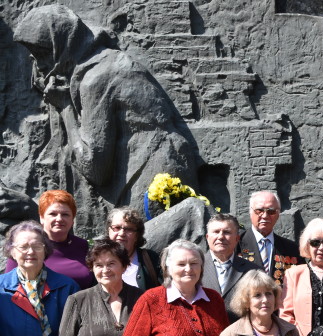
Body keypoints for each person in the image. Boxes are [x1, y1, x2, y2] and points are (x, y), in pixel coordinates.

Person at [13, 6, 197, 218]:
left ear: (62, 46)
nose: (39, 65)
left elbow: (94, 167)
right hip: (161, 166)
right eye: (34, 57)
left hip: (150, 177)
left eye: (43, 54)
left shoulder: (97, 78)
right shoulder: (106, 61)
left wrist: (65, 107)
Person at [5, 190, 94, 289]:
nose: (59, 219)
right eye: (53, 214)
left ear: (72, 220)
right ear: (42, 218)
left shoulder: (82, 245)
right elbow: (9, 285)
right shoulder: (24, 247)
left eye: (65, 214)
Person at [201, 213, 260, 323]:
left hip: (240, 331)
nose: (220, 237)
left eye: (227, 232)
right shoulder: (194, 267)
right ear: (207, 237)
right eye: (216, 232)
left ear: (237, 238)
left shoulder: (253, 271)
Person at [237, 191, 303, 286]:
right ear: (250, 212)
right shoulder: (235, 245)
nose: (265, 216)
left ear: (278, 214)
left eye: (271, 211)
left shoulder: (292, 249)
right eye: (259, 210)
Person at [106, 207, 162, 290]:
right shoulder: (97, 260)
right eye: (117, 227)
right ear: (109, 231)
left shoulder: (151, 259)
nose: (121, 233)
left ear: (137, 235)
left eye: (129, 229)